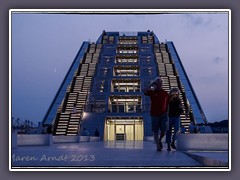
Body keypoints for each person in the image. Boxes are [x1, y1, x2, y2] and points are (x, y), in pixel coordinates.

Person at [143, 76, 169, 151]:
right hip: (154, 114)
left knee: (163, 130)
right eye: (158, 83)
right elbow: (143, 90)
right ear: (156, 84)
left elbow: (167, 104)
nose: (159, 84)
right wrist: (151, 84)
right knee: (155, 131)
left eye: (160, 83)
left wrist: (167, 113)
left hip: (163, 114)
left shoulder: (165, 93)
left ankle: (160, 140)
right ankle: (158, 146)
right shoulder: (152, 92)